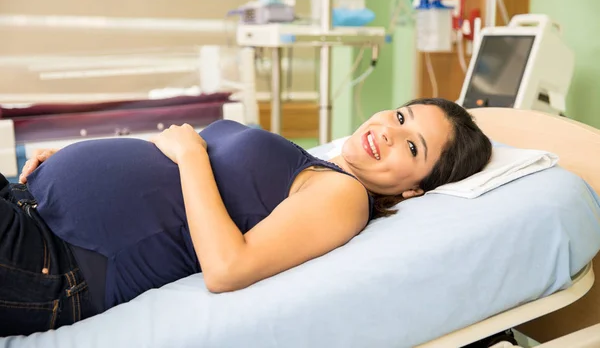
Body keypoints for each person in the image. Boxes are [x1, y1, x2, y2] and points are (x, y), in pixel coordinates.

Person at [0, 97, 492, 337]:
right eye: (401, 116)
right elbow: (169, 168)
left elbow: (228, 268)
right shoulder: (315, 163)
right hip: (30, 199)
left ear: (415, 187)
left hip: (53, 259)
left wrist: (191, 156)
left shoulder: (345, 196)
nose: (388, 131)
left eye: (411, 146)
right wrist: (70, 159)